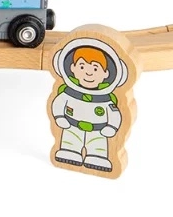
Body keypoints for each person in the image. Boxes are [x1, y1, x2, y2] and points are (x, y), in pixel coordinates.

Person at [50, 38, 127, 171]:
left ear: (106, 73)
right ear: (72, 68)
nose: (88, 72)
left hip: (97, 131)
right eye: (82, 66)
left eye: (95, 68)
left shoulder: (105, 99)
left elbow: (114, 114)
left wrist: (112, 127)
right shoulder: (68, 93)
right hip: (72, 127)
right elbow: (58, 103)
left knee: (98, 147)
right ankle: (69, 152)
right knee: (70, 142)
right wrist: (59, 117)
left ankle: (97, 157)